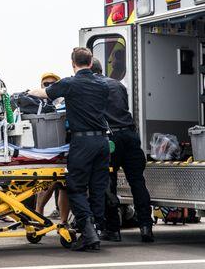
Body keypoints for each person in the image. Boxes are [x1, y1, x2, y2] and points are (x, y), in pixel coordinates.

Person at [28, 47, 110, 251]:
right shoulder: (104, 85)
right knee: (98, 188)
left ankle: (89, 234)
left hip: (82, 143)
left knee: (75, 187)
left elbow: (44, 93)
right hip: (102, 142)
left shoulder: (70, 83)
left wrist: (28, 92)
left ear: (73, 64)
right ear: (91, 63)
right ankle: (96, 229)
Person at [90, 58, 154, 243]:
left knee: (108, 184)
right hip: (130, 135)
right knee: (138, 182)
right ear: (102, 69)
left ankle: (112, 229)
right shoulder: (118, 85)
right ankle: (145, 227)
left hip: (111, 139)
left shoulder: (92, 87)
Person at [34, 72, 70, 226]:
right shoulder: (36, 104)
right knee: (47, 185)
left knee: (64, 186)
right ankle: (37, 214)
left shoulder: (65, 102)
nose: (48, 87)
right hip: (47, 151)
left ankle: (63, 222)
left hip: (66, 148)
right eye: (45, 84)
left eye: (52, 84)